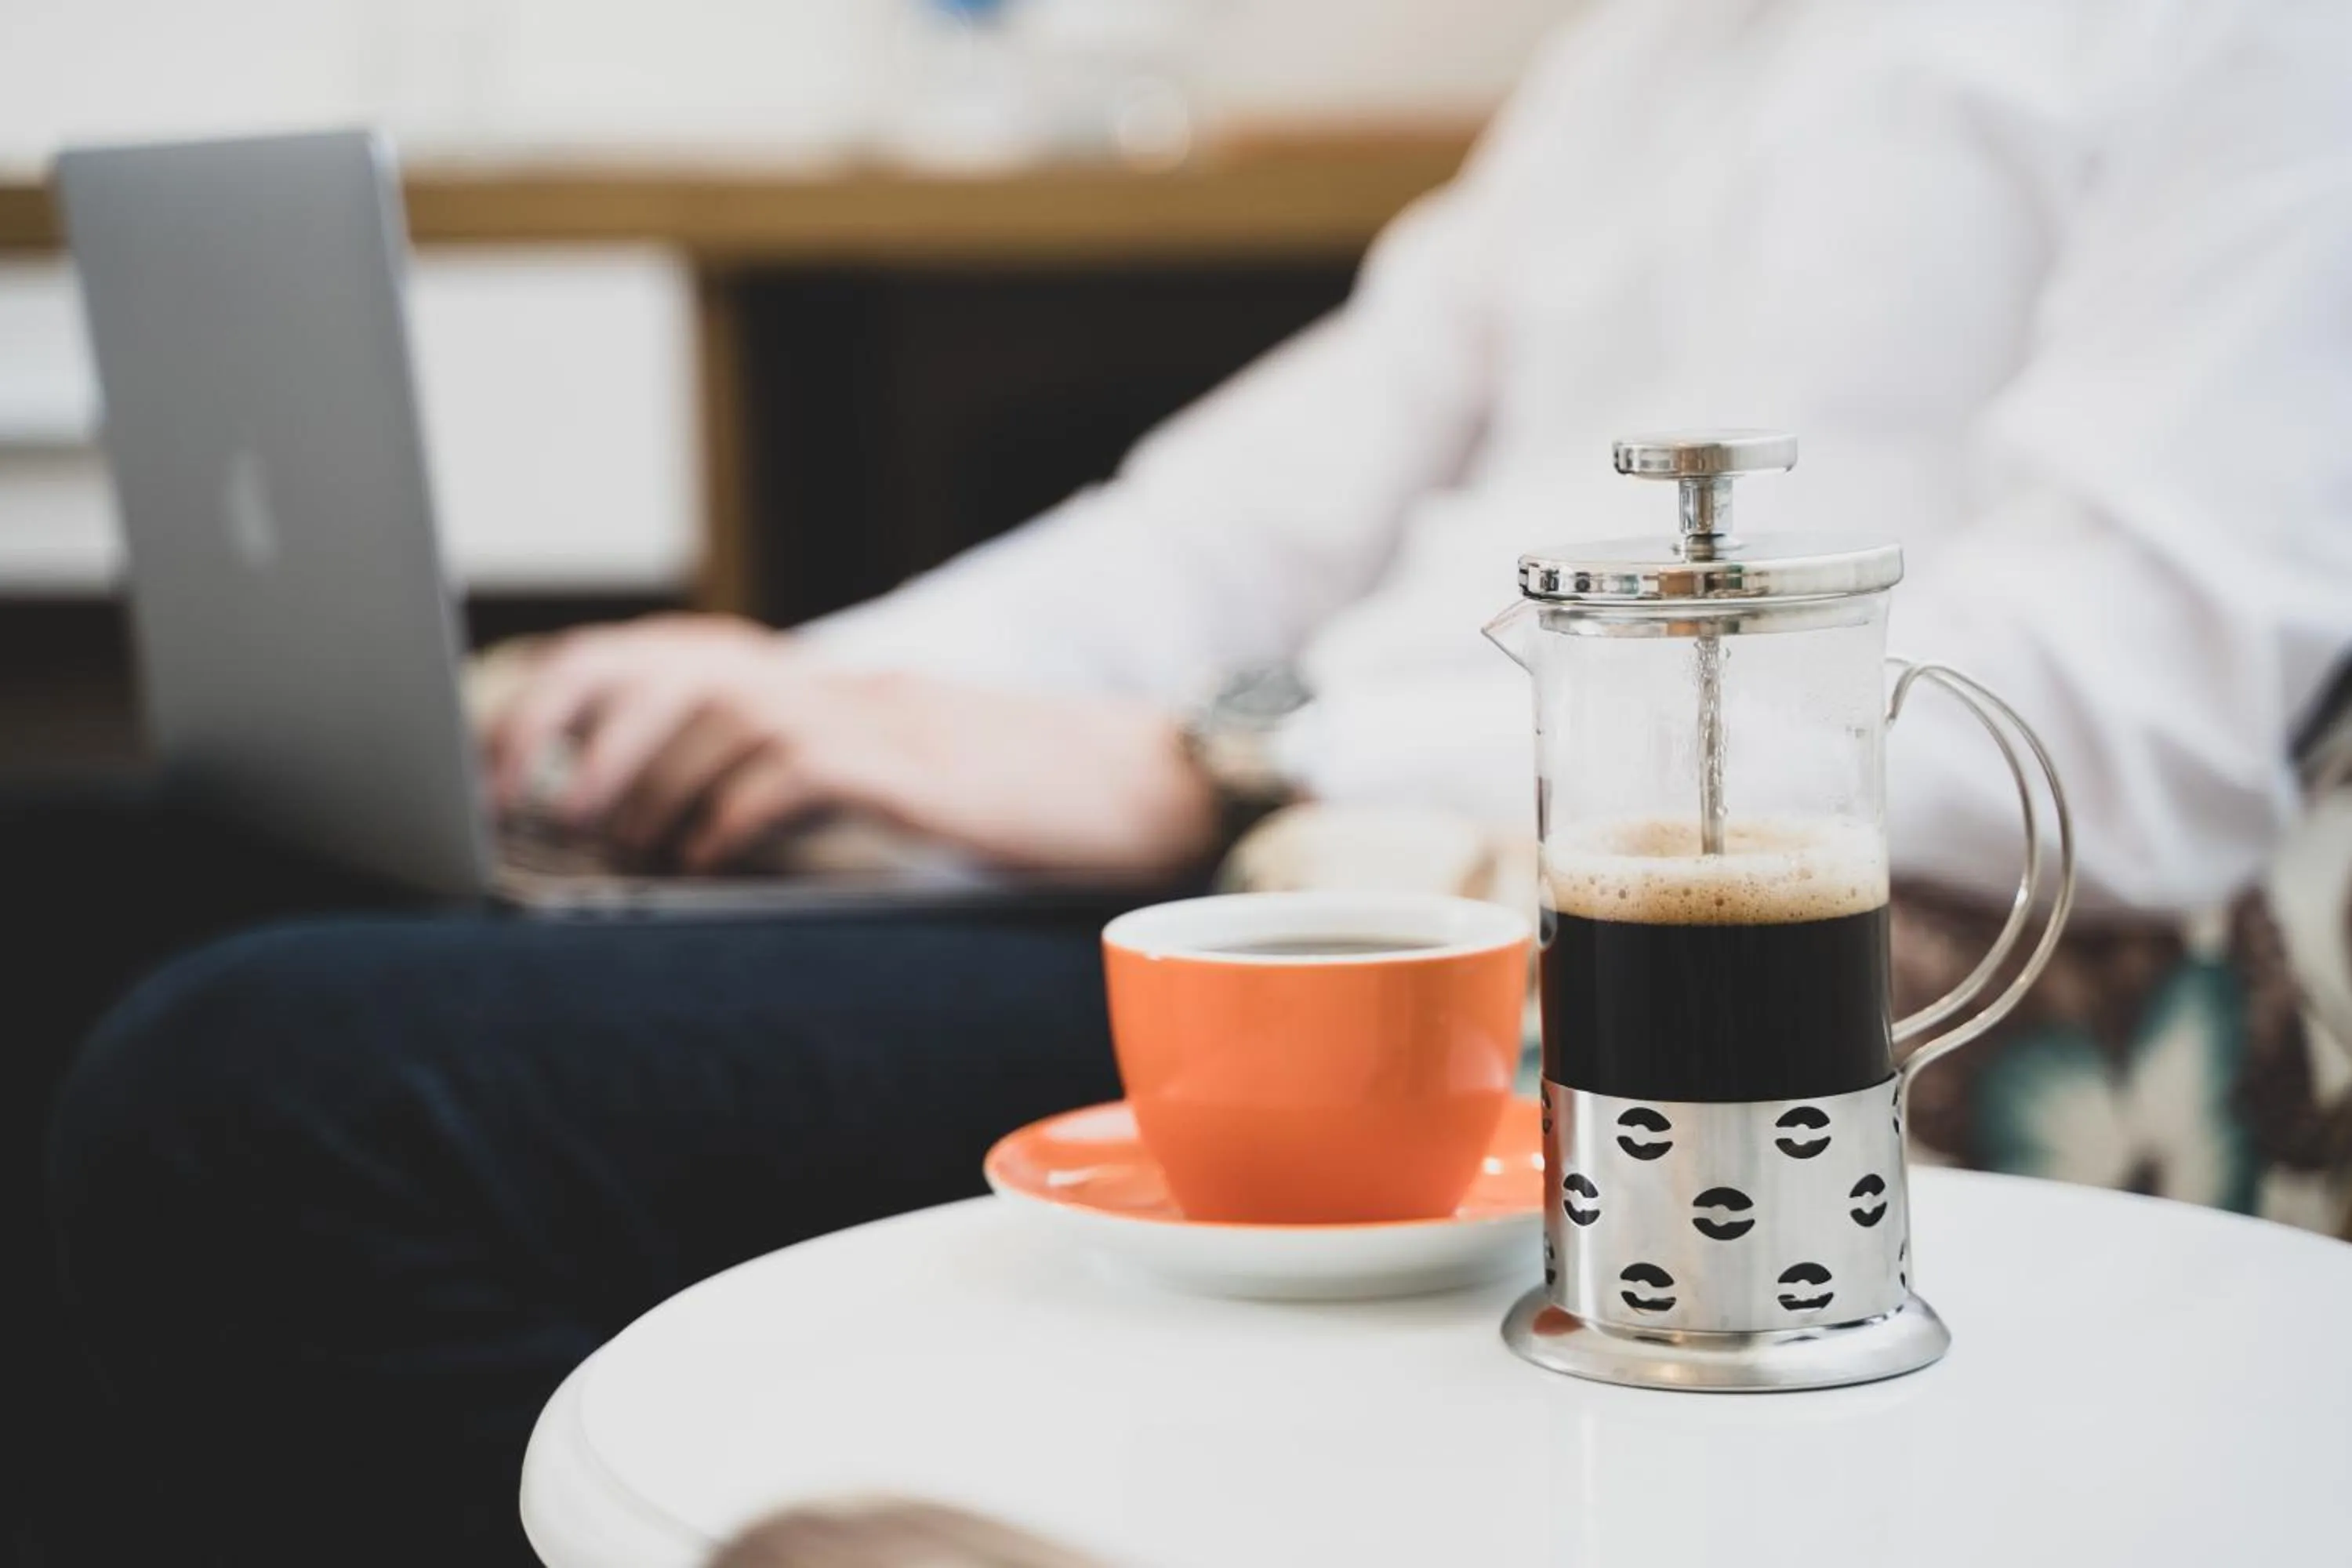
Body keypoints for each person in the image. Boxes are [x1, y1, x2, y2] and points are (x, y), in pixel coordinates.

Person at [24, 1, 2352, 1563]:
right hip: (1263, 819)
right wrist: (776, 695)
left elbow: (2144, 698)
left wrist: (1212, 761)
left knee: (264, 1092)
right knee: (106, 888)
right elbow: (1222, 528)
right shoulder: (1664, 40)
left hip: (1469, 918)